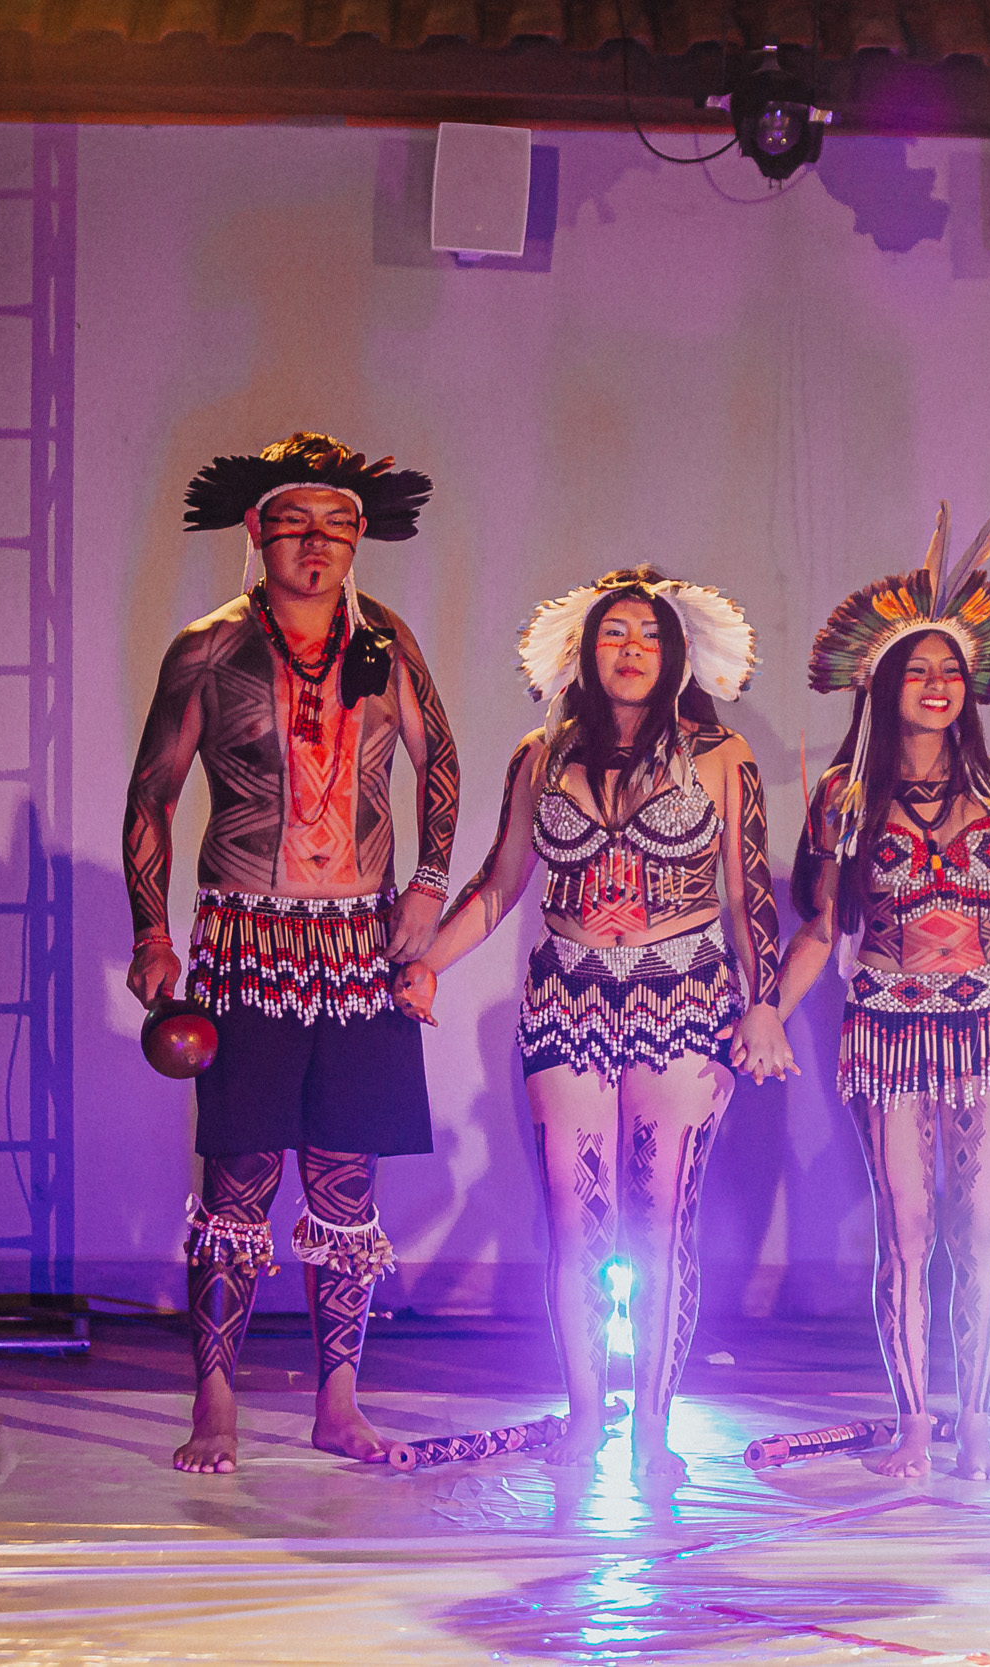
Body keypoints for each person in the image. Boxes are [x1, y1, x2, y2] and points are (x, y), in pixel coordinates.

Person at [392, 566, 792, 1485]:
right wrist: (429, 962)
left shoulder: (722, 755)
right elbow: (500, 882)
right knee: (577, 1224)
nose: (632, 649)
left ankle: (651, 1421)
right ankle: (583, 1412)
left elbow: (746, 896)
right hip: (567, 996)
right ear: (585, 651)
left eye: (649, 635)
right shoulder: (541, 755)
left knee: (660, 1222)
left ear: (676, 652)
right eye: (615, 633)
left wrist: (764, 1000)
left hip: (682, 993)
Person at [125, 432, 460, 1474]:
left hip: (358, 944)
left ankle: (338, 1400)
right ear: (256, 531)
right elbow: (153, 793)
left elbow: (438, 758)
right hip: (247, 941)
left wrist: (428, 886)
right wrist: (151, 929)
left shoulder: (387, 641)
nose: (316, 545)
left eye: (336, 526)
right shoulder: (209, 648)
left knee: (347, 1184)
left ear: (360, 538)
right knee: (238, 1178)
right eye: (294, 524)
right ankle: (215, 1398)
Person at [779, 503, 990, 1482]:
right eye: (918, 668)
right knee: (907, 1232)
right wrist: (766, 1009)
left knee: (980, 1231)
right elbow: (823, 926)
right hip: (887, 1024)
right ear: (882, 682)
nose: (938, 683)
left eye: (950, 668)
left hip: (989, 1022)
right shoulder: (844, 794)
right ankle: (915, 1420)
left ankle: (978, 1422)